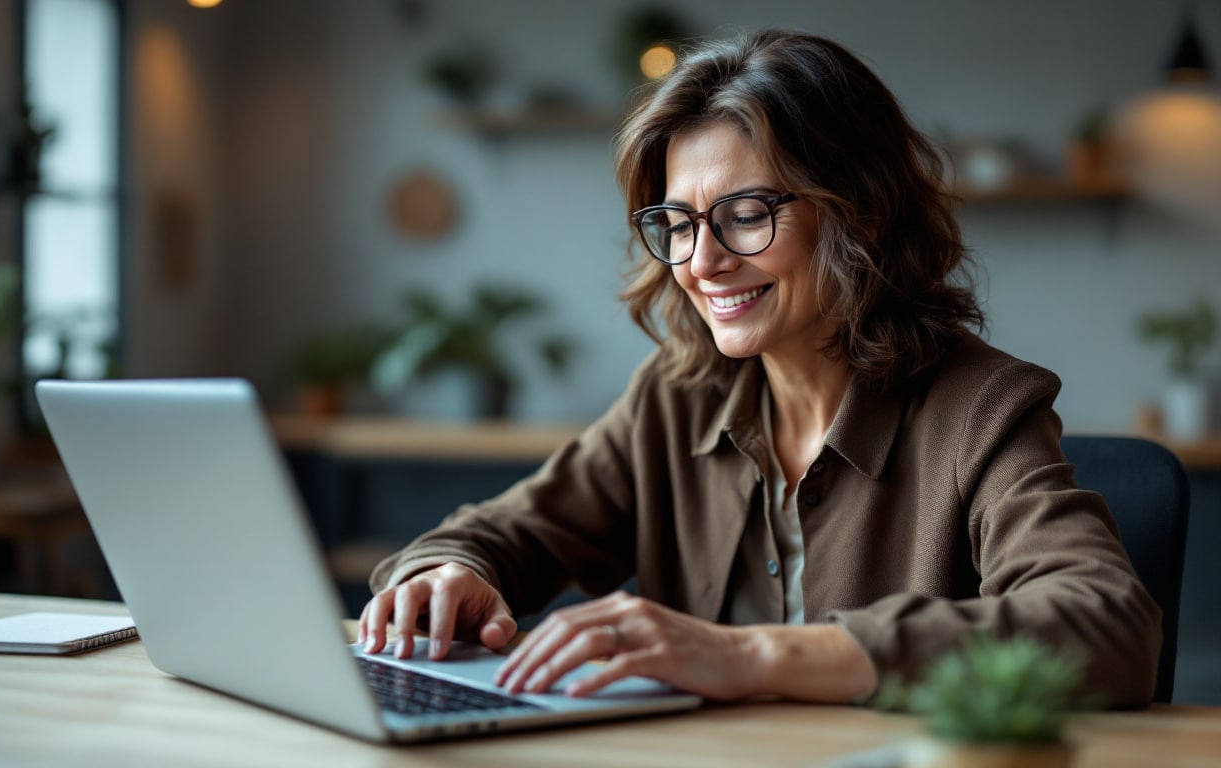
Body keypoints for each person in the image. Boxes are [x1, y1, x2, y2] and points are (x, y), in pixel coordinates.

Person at [359, 29, 1160, 707]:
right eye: (677, 222)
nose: (702, 261)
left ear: (865, 217)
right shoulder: (676, 398)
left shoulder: (981, 407)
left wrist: (749, 656)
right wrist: (446, 570)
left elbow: (1107, 624)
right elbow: (515, 530)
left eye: (746, 215)